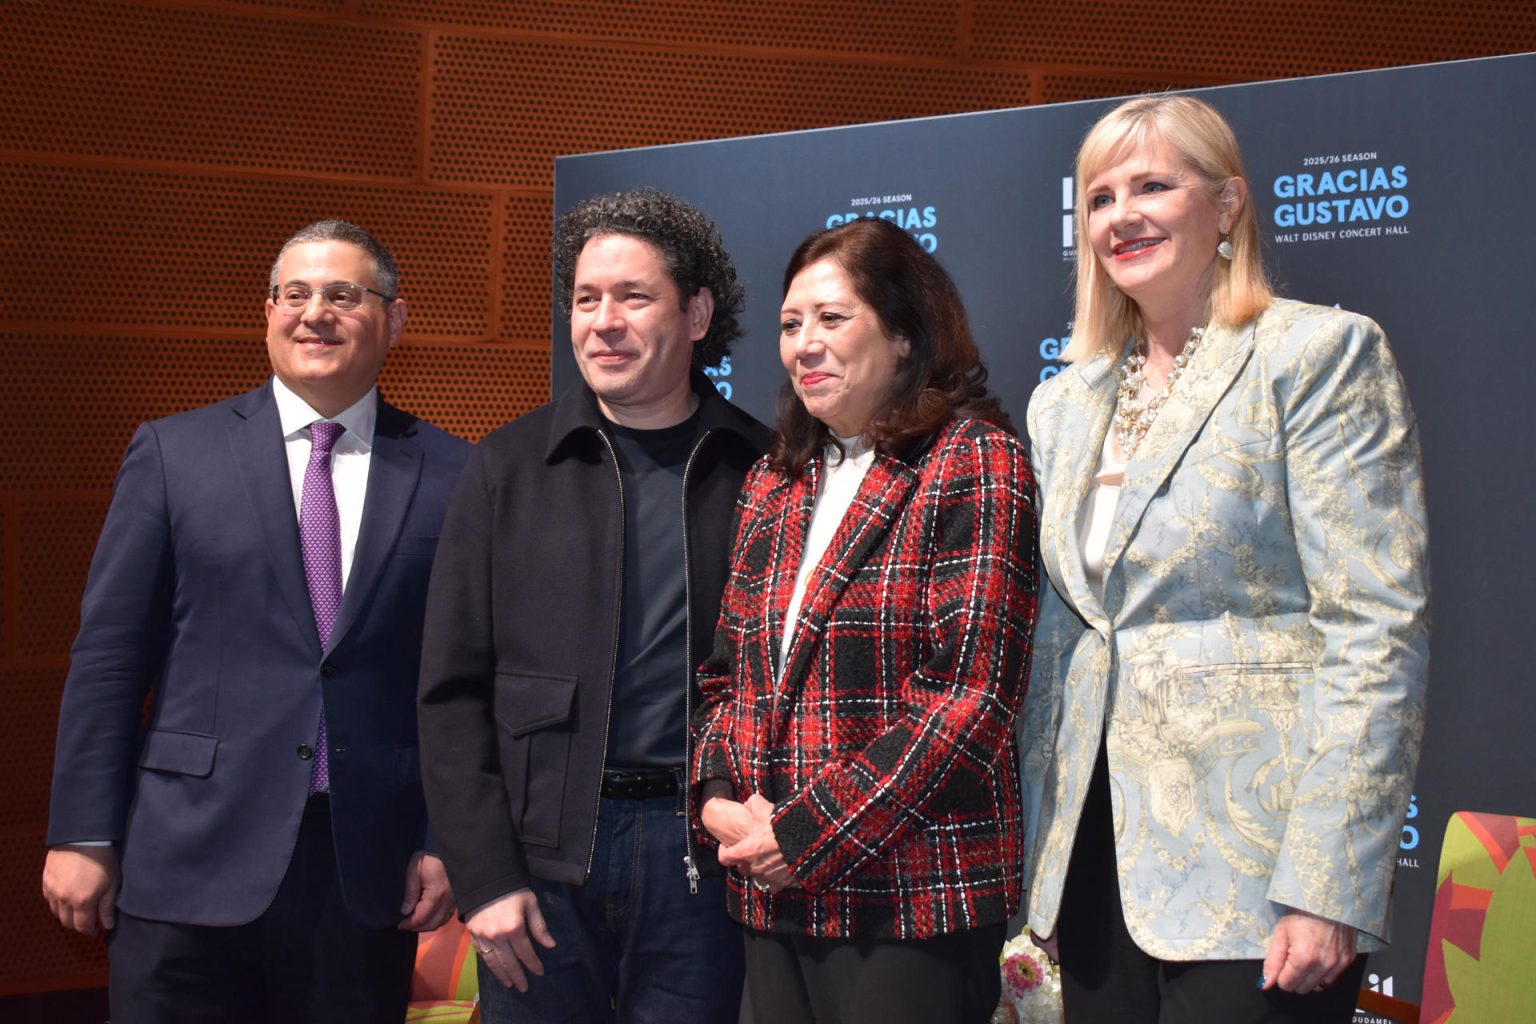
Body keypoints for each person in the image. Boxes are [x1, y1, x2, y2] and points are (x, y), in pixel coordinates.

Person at [1016, 94, 1431, 1023]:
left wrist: (1331, 881)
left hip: (1261, 866)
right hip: (1092, 866)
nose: (1122, 214)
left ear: (1227, 204)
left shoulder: (1317, 354)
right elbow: (1061, 641)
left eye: (1154, 185)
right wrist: (1039, 864)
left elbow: (1376, 630)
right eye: (1100, 196)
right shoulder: (1061, 404)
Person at [41, 220, 467, 1022]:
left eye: (344, 295)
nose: (315, 313)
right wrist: (81, 833)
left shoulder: (456, 473)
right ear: (267, 311)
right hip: (185, 858)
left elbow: (463, 682)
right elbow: (109, 658)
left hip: (363, 868)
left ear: (395, 321)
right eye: (294, 294)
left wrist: (446, 840)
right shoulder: (174, 454)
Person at [417, 186, 770, 1023]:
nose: (602, 321)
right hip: (538, 865)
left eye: (633, 296)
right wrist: (485, 876)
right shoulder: (506, 467)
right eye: (585, 298)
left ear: (696, 313)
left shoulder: (762, 468)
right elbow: (449, 692)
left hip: (701, 861)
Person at [692, 217, 1038, 1024]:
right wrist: (716, 799)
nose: (804, 344)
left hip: (909, 901)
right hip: (769, 898)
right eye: (789, 324)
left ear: (907, 336)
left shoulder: (973, 460)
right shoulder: (774, 483)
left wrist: (805, 832)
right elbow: (722, 676)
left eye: (832, 318)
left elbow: (970, 701)